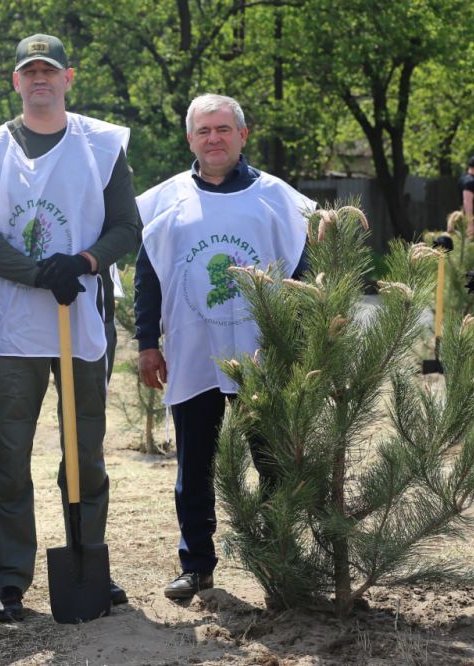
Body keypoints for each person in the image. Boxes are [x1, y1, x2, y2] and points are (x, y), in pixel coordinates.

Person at [0, 33, 141, 621]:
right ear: (16, 81)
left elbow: (125, 227)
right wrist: (39, 272)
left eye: (50, 71)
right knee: (8, 453)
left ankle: (90, 560)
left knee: (84, 451)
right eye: (29, 72)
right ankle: (10, 579)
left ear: (68, 78)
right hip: (14, 330)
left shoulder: (101, 145)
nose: (40, 79)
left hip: (81, 317)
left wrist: (83, 263)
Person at [134, 93, 312, 600]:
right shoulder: (163, 201)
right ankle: (197, 565)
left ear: (242, 135)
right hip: (193, 354)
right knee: (195, 468)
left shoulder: (280, 199)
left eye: (223, 129)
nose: (213, 139)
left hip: (263, 356)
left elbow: (302, 275)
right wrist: (148, 343)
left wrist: (296, 346)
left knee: (272, 462)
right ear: (190, 139)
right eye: (203, 131)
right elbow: (149, 278)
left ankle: (280, 564)